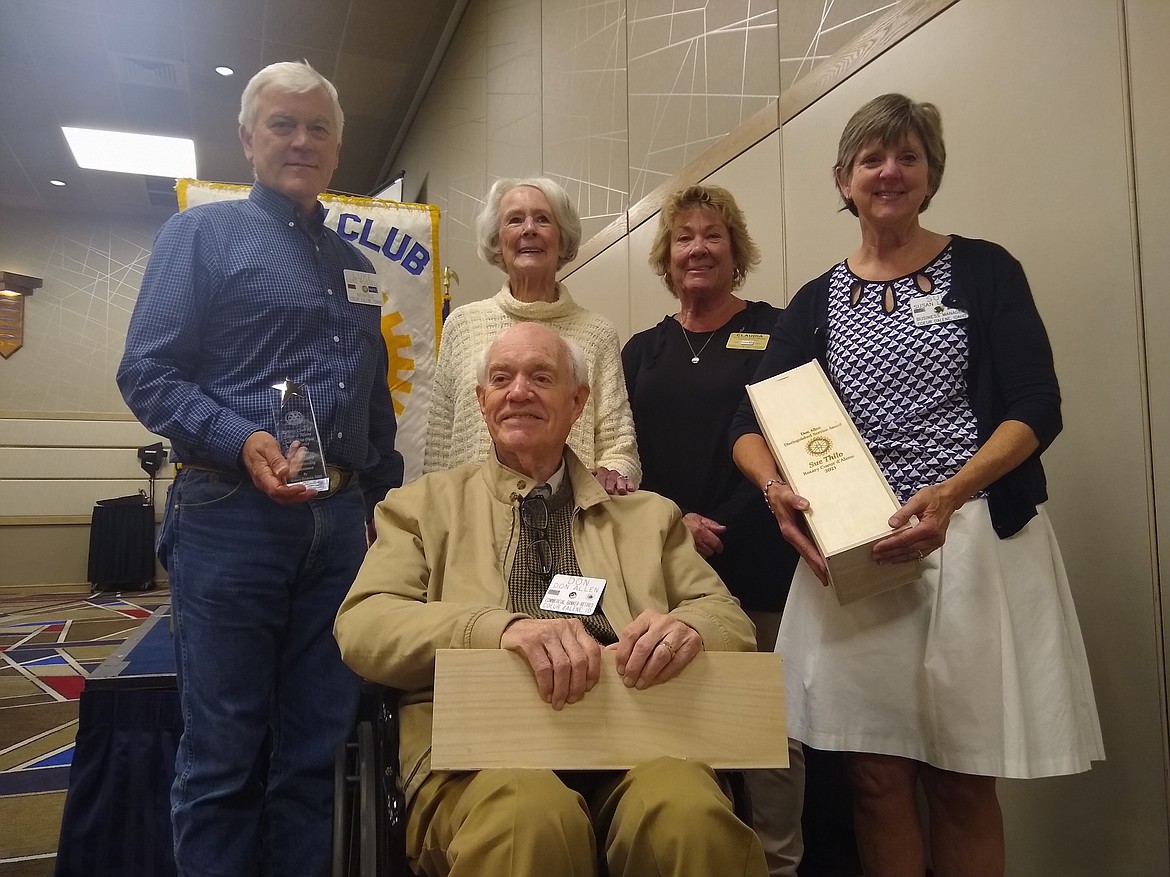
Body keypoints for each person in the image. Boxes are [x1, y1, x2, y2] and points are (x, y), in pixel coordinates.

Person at [730, 93, 1104, 876]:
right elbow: (751, 423)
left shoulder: (984, 268)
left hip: (967, 544)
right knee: (873, 776)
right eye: (872, 158)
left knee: (962, 776)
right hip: (859, 552)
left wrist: (951, 492)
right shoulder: (817, 302)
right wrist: (776, 490)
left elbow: (1038, 405)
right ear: (844, 177)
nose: (889, 171)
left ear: (931, 174)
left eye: (908, 156)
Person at [336, 322, 766, 877]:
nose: (519, 392)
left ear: (578, 402)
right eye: (501, 379)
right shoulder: (420, 508)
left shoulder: (650, 518)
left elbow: (729, 621)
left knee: (689, 813)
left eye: (542, 377)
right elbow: (363, 625)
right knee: (527, 816)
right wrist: (497, 629)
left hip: (639, 745)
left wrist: (690, 630)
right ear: (482, 400)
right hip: (479, 756)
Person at [117, 61, 403, 877]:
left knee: (317, 747)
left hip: (341, 529)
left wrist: (383, 498)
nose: (301, 140)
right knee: (223, 756)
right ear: (248, 138)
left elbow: (370, 396)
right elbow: (147, 371)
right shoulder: (199, 236)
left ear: (338, 148)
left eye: (317, 128)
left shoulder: (356, 262)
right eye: (283, 124)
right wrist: (240, 436)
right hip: (231, 516)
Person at [621, 184, 805, 877]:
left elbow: (787, 439)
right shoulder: (641, 350)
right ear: (666, 257)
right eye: (683, 237)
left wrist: (721, 520)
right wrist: (672, 522)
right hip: (663, 570)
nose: (697, 248)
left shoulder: (778, 331)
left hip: (757, 558)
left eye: (713, 235)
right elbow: (621, 460)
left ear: (737, 251)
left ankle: (781, 864)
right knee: (681, 726)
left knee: (770, 730)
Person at [423, 176, 640, 494]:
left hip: (571, 522)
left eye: (542, 219)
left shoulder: (597, 334)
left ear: (563, 238)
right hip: (472, 522)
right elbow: (439, 448)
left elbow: (619, 447)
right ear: (497, 240)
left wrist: (614, 475)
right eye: (514, 220)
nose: (529, 229)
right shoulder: (462, 325)